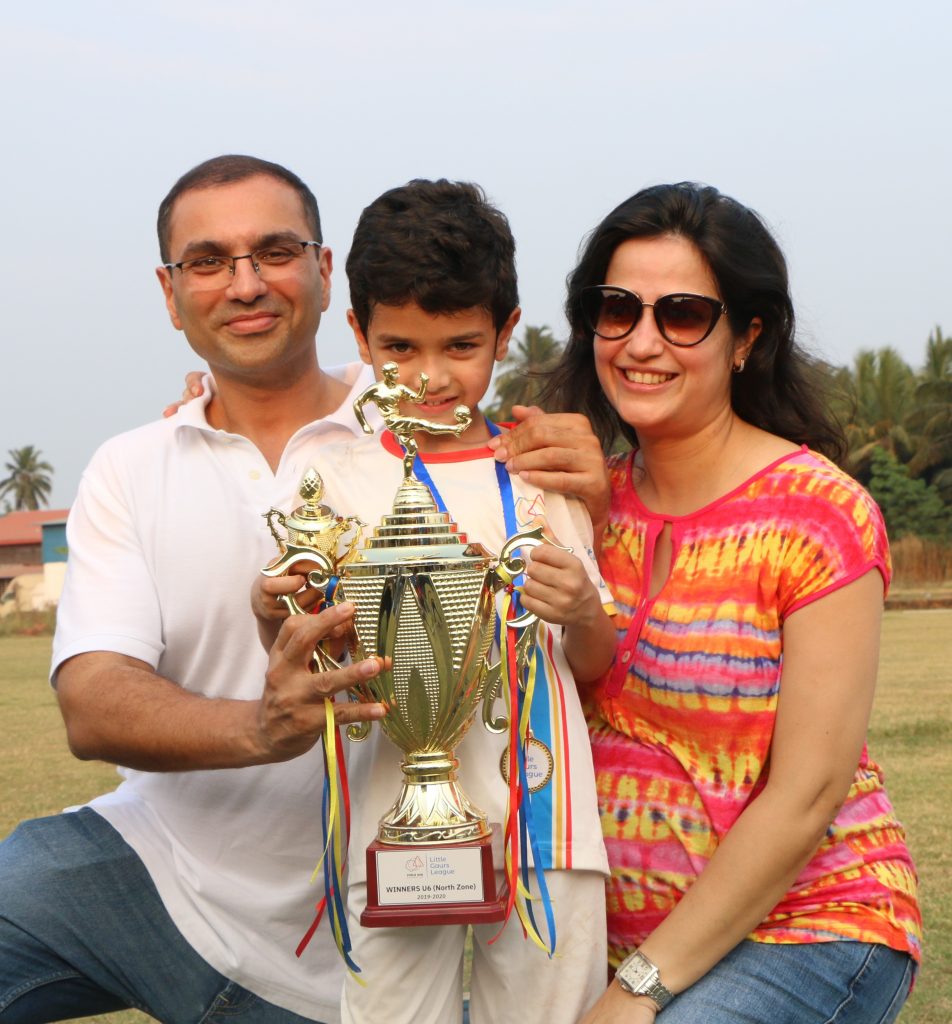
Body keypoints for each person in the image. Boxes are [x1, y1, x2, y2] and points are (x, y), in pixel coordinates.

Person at [0, 155, 390, 1024]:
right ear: (171, 295)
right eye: (208, 262)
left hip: (372, 935)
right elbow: (94, 703)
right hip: (153, 879)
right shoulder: (132, 466)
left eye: (275, 251)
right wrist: (263, 727)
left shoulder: (423, 436)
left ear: (326, 273)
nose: (245, 284)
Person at [526, 182, 921, 1023]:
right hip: (617, 940)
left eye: (681, 314)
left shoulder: (819, 513)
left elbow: (808, 793)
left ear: (747, 337)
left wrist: (641, 991)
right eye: (616, 309)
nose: (641, 342)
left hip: (809, 929)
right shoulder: (578, 506)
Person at [252, 179, 617, 1024]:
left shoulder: (539, 475)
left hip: (544, 828)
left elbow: (592, 663)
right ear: (357, 334)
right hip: (387, 830)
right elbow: (292, 638)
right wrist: (277, 605)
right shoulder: (329, 477)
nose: (429, 375)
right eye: (399, 347)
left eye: (460, 345)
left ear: (506, 332)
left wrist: (584, 613)